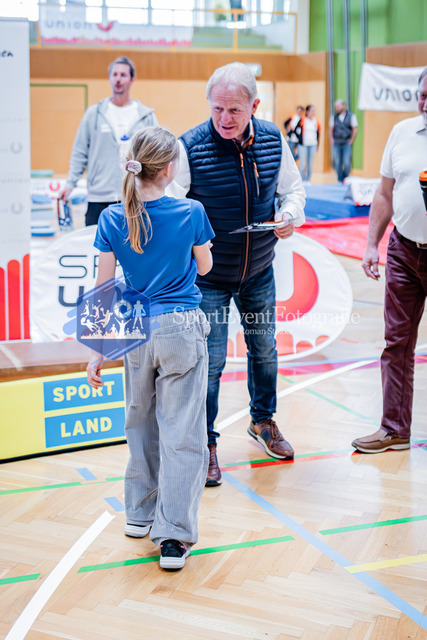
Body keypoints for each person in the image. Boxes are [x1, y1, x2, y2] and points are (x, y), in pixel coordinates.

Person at [169, 62, 306, 486]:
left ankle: (262, 421)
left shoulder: (273, 140)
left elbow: (294, 191)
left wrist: (289, 215)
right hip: (208, 278)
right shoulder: (188, 147)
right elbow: (170, 208)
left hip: (259, 272)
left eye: (234, 110)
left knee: (264, 350)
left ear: (254, 107)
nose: (224, 118)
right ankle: (205, 443)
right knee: (209, 363)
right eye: (217, 109)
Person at [86, 126, 214, 569]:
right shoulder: (191, 211)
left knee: (139, 420)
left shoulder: (110, 218)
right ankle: (173, 536)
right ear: (170, 169)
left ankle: (139, 513)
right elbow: (205, 266)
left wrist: (97, 349)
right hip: (180, 327)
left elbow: (102, 289)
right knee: (183, 433)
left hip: (135, 328)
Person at [352, 68, 427, 454]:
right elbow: (384, 193)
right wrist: (371, 245)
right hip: (403, 250)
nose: (426, 103)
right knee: (396, 342)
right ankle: (394, 428)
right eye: (423, 95)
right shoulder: (402, 132)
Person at [59, 57, 158, 226]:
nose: (118, 79)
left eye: (123, 75)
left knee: (133, 243)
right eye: (115, 74)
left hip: (135, 198)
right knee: (95, 243)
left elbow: (157, 155)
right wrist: (70, 184)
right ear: (110, 78)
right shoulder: (94, 114)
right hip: (99, 198)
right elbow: (80, 152)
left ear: (132, 79)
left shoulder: (146, 116)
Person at [328, 99, 358, 183]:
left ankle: (345, 178)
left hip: (346, 143)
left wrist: (351, 140)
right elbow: (330, 129)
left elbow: (355, 129)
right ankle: (340, 180)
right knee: (337, 163)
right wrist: (332, 140)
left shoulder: (351, 116)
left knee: (347, 163)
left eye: (338, 106)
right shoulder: (333, 117)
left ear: (343, 106)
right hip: (336, 143)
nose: (336, 108)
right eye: (335, 107)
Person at [298, 104, 321, 183]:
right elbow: (296, 130)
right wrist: (299, 140)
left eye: (314, 111)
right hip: (303, 145)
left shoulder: (316, 121)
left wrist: (317, 144)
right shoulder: (303, 120)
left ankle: (308, 180)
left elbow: (318, 133)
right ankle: (303, 179)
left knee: (310, 163)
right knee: (303, 163)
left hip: (313, 145)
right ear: (307, 112)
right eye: (312, 111)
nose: (313, 112)